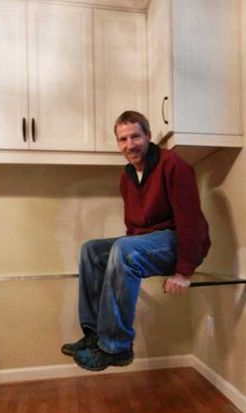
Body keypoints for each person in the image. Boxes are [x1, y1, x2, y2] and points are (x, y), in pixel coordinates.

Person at [62, 111, 210, 371]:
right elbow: (133, 226)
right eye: (123, 139)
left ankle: (116, 346)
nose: (130, 145)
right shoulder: (127, 175)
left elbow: (192, 222)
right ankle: (95, 335)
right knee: (91, 250)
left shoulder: (173, 164)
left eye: (135, 136)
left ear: (149, 136)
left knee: (124, 248)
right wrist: (123, 263)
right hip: (148, 242)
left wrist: (184, 272)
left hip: (177, 241)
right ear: (118, 143)